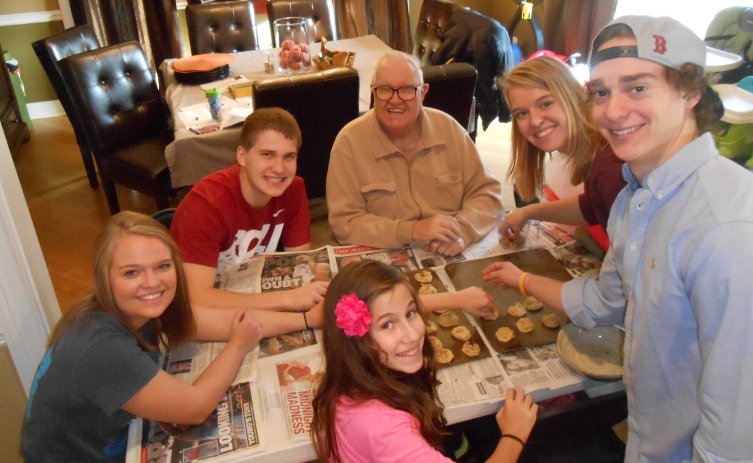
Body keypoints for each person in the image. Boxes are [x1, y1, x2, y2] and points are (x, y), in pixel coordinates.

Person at [483, 16, 753, 461]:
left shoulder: (727, 230)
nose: (612, 110)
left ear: (689, 92)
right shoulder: (634, 198)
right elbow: (602, 302)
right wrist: (522, 281)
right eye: (602, 92)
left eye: (638, 87)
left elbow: (734, 433)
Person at [22, 211, 263, 462]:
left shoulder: (135, 308)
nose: (152, 282)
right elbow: (196, 409)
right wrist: (236, 346)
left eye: (162, 266)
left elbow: (229, 322)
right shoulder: (100, 347)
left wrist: (303, 316)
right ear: (105, 278)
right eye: (131, 273)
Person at [311, 260, 538, 462]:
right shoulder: (384, 429)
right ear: (356, 338)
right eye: (387, 325)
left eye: (410, 314)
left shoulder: (351, 375)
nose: (412, 335)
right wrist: (513, 434)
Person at [326, 50, 503, 257]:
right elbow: (345, 223)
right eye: (385, 89)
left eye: (408, 89)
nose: (395, 100)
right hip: (385, 263)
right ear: (373, 92)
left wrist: (462, 232)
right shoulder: (349, 143)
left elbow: (488, 195)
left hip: (451, 252)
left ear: (423, 92)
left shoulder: (450, 130)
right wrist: (413, 230)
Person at [171, 107, 328, 314]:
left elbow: (297, 264)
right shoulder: (205, 205)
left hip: (255, 296)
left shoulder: (294, 189)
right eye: (267, 155)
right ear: (242, 156)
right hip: (204, 310)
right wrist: (287, 298)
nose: (280, 168)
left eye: (288, 157)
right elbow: (196, 298)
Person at [499, 56, 625, 251]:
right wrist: (525, 213)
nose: (535, 121)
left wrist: (525, 281)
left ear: (571, 96)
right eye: (522, 113)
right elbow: (591, 206)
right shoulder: (596, 157)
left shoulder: (609, 166)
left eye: (545, 104)